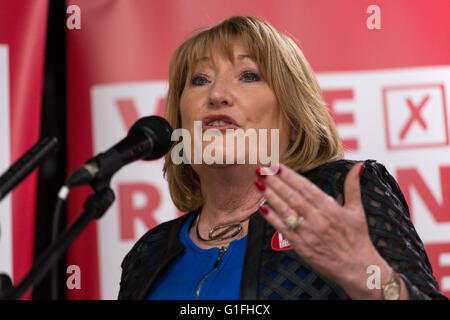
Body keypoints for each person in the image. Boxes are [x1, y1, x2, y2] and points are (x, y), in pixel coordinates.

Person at [118, 15, 446, 300]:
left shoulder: (344, 194)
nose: (216, 95)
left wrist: (374, 282)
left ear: (292, 113)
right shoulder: (149, 253)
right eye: (200, 80)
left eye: (248, 75)